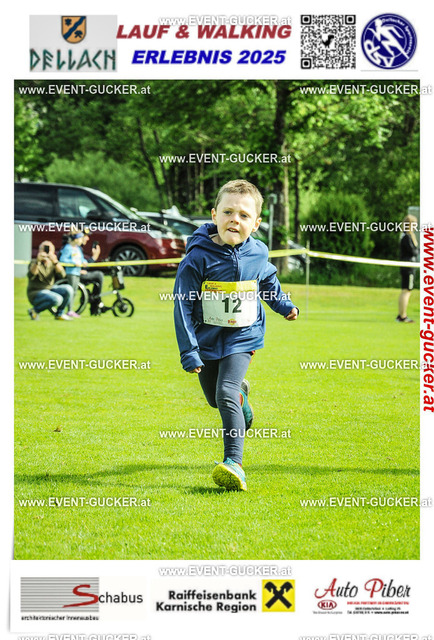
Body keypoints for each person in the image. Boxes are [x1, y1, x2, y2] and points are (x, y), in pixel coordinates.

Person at [173, 179, 299, 492]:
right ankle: (241, 399)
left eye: (244, 215)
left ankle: (234, 463)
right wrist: (189, 350)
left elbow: (267, 281)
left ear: (255, 223)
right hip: (206, 340)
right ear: (214, 215)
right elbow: (182, 306)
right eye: (228, 212)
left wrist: (284, 306)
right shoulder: (197, 258)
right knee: (215, 399)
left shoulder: (258, 252)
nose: (235, 219)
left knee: (224, 392)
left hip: (243, 337)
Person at [27, 240, 74, 321]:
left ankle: (59, 314)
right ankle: (35, 310)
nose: (46, 252)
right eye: (44, 249)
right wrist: (38, 262)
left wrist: (55, 262)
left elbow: (62, 275)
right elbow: (31, 276)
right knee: (57, 299)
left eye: (49, 250)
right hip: (36, 293)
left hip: (49, 289)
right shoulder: (34, 262)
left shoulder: (53, 263)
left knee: (68, 289)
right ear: (39, 251)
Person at [397, 214, 419, 323]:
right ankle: (403, 316)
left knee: (405, 291)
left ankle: (401, 315)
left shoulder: (405, 236)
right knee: (406, 291)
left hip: (407, 266)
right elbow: (413, 251)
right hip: (408, 267)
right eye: (414, 224)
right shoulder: (407, 237)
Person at [59, 232, 86, 318]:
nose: (82, 240)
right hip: (71, 272)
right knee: (71, 291)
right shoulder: (68, 248)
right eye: (80, 238)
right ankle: (69, 310)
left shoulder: (78, 249)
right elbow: (63, 259)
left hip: (77, 272)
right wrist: (73, 263)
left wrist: (84, 262)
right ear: (76, 239)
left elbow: (81, 258)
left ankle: (70, 310)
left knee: (74, 292)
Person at [81, 230, 105, 315]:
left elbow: (84, 266)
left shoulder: (79, 248)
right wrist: (94, 257)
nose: (87, 239)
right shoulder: (74, 248)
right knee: (99, 275)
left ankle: (96, 303)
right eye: (85, 236)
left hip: (78, 272)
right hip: (75, 274)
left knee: (98, 275)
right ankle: (95, 304)